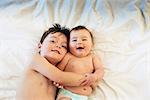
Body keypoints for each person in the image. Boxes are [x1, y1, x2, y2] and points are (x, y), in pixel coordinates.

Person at [16, 24, 86, 100]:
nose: (58, 46)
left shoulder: (59, 73)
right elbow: (60, 77)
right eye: (53, 41)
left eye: (64, 46)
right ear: (39, 46)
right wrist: (89, 78)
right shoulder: (35, 59)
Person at [55, 26, 104, 100]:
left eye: (84, 39)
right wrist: (57, 81)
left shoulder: (93, 57)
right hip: (67, 93)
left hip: (84, 97)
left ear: (92, 44)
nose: (79, 42)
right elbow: (58, 70)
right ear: (68, 45)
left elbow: (100, 70)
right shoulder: (68, 56)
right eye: (74, 40)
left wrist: (95, 76)